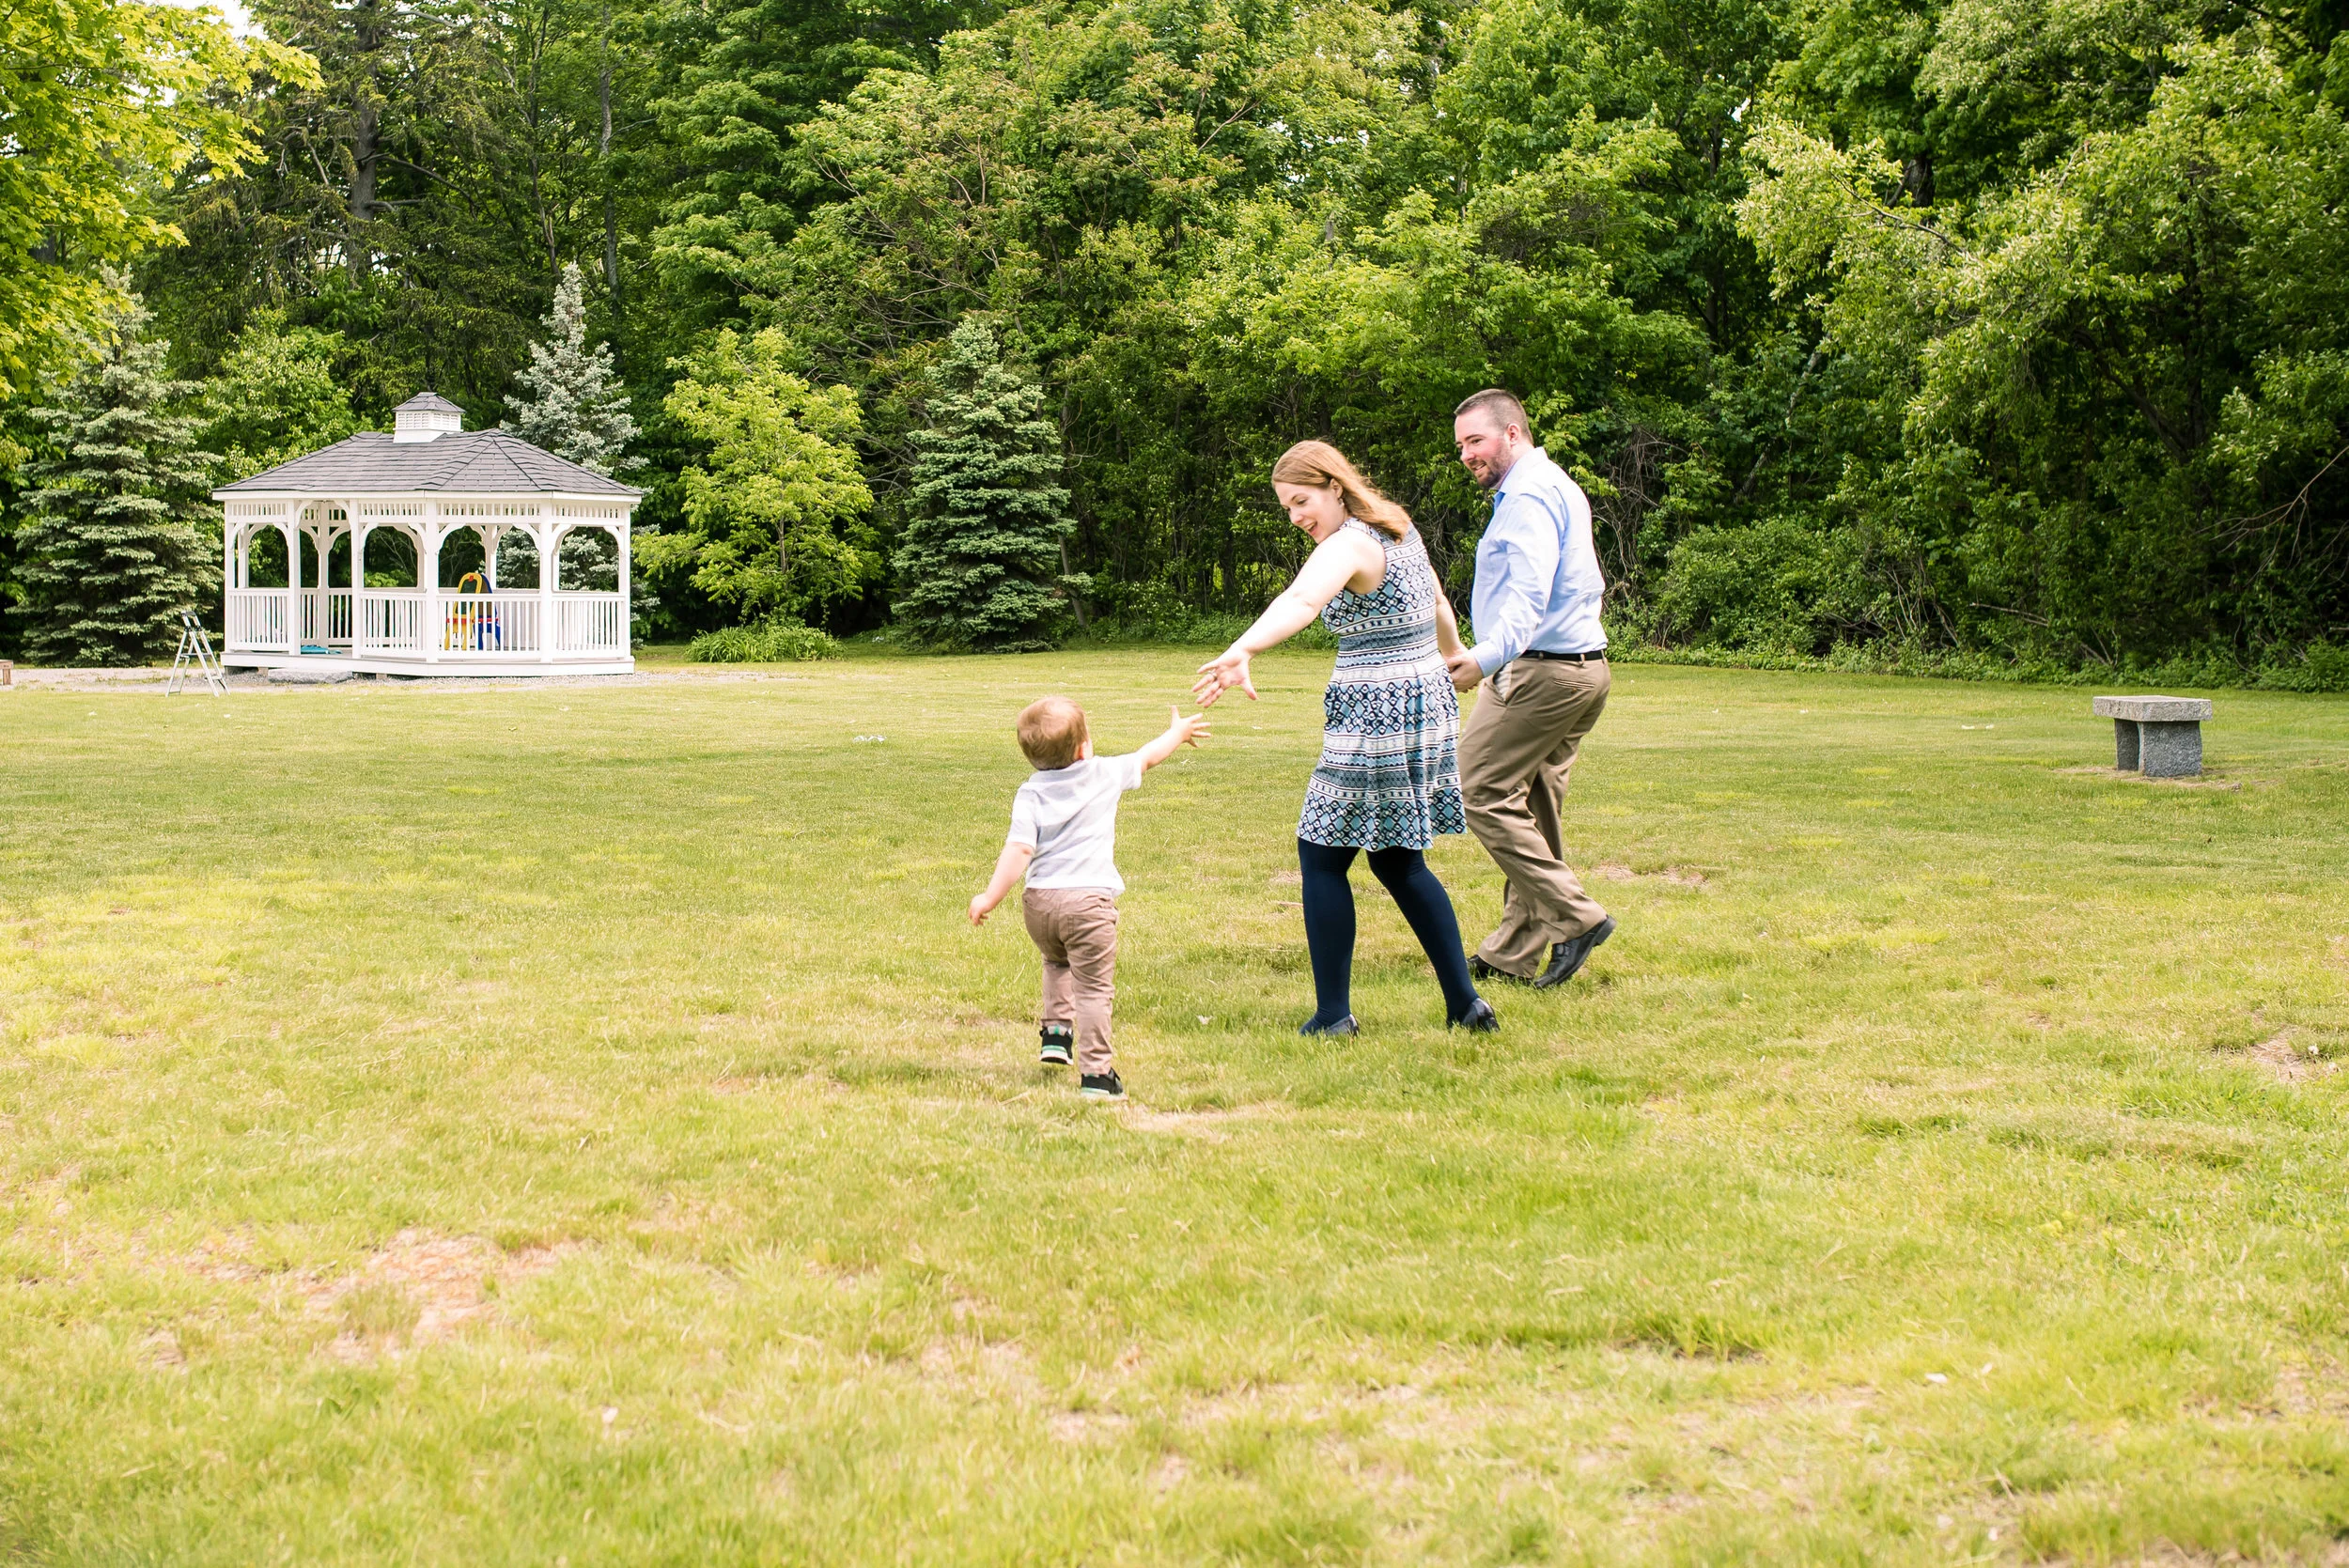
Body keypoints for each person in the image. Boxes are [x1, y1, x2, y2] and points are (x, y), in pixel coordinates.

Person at [1192, 441, 1497, 1036]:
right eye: (1286, 508)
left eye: (1301, 500)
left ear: (1334, 485)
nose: (1296, 516)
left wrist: (1243, 648)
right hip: (1423, 698)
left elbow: (1304, 598)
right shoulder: (1397, 526)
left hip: (1378, 709)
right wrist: (1452, 653)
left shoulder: (1351, 543)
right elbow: (1436, 599)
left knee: (1323, 855)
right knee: (1397, 859)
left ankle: (1333, 1015)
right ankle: (1466, 1005)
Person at [1441, 388, 1616, 988]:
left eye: (1476, 440)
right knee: (1536, 807)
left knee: (1477, 787)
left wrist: (1481, 659)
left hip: (1541, 672)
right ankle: (1513, 954)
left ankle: (1577, 918)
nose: (1467, 454)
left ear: (1512, 433)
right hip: (1581, 670)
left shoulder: (1529, 497)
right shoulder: (1553, 485)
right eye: (1462, 444)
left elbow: (1528, 596)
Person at [969, 697, 1210, 1100]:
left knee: (1055, 960)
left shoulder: (1030, 793)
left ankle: (1056, 1035)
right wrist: (1178, 733)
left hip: (1040, 905)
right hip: (1089, 904)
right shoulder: (1104, 773)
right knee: (1094, 989)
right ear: (1084, 748)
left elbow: (1019, 850)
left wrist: (990, 897)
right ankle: (1097, 1074)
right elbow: (1148, 757)